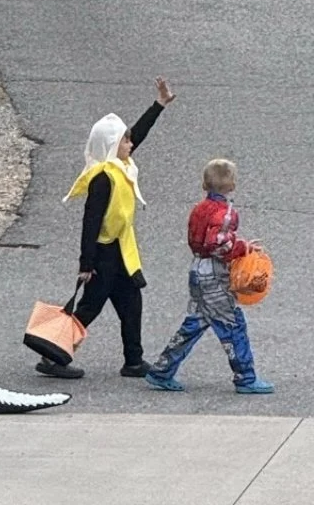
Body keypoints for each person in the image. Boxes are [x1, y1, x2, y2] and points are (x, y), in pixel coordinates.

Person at [37, 77, 176, 381]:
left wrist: (159, 105)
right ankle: (52, 355)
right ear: (113, 147)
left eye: (128, 140)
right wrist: (86, 263)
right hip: (103, 254)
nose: (131, 144)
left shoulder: (120, 166)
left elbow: (138, 133)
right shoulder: (103, 178)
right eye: (125, 141)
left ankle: (134, 360)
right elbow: (90, 221)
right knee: (89, 307)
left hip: (122, 252)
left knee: (131, 303)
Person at [145, 159, 273, 394]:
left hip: (197, 268)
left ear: (205, 185)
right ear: (232, 185)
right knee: (233, 324)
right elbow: (219, 244)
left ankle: (162, 370)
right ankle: (245, 376)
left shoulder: (199, 209)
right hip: (214, 275)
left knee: (195, 322)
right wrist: (241, 248)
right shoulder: (225, 214)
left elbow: (201, 239)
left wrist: (239, 243)